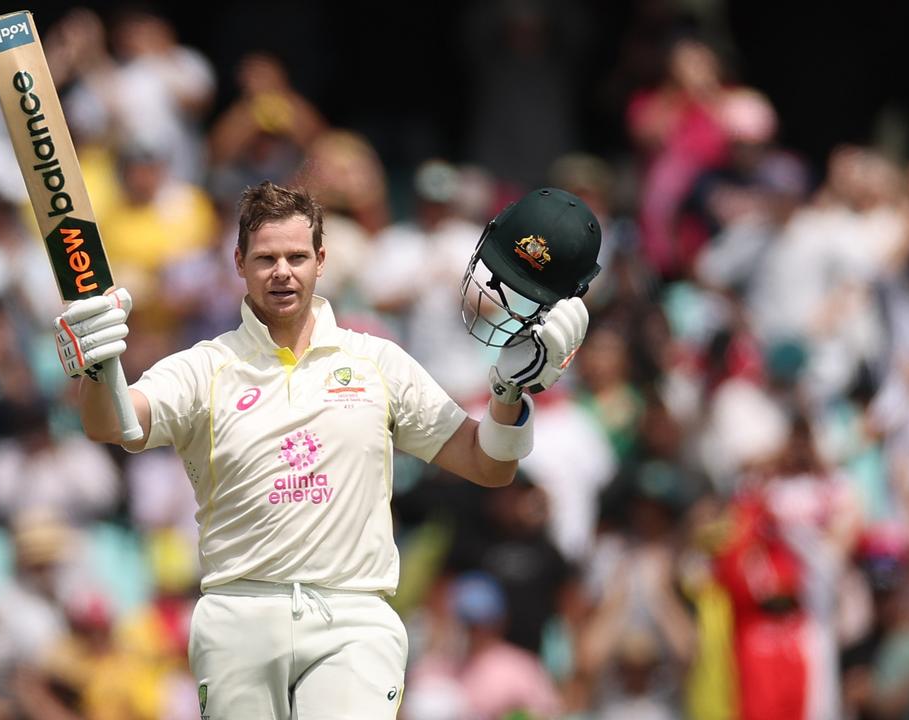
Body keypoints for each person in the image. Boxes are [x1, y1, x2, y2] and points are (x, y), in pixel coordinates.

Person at [54, 181, 597, 718]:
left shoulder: (377, 361)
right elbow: (115, 425)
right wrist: (97, 367)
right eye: (266, 258)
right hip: (239, 612)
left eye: (296, 256)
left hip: (353, 616)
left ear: (321, 258)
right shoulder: (205, 366)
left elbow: (487, 466)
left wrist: (507, 394)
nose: (282, 272)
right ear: (238, 261)